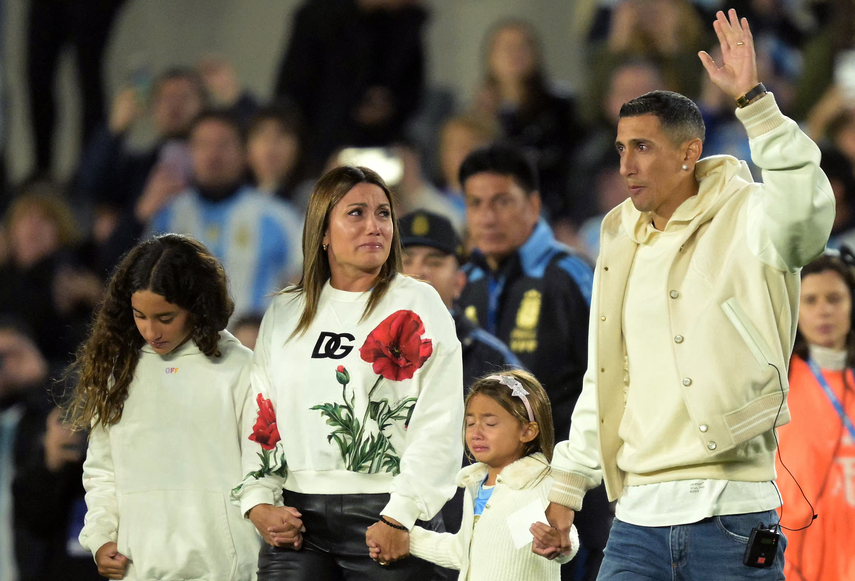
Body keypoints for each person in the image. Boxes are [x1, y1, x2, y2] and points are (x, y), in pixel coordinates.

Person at [539, 10, 836, 580]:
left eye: (643, 147)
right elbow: (606, 374)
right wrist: (569, 484)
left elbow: (808, 211)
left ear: (688, 151)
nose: (625, 165)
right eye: (622, 148)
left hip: (734, 517)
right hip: (635, 524)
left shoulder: (753, 213)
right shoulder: (619, 235)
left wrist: (754, 101)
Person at [232, 165, 463, 580]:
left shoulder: (419, 302)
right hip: (296, 522)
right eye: (356, 213)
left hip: (388, 517)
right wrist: (257, 501)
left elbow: (439, 421)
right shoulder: (285, 311)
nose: (374, 226)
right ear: (322, 231)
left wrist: (402, 515)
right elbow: (261, 416)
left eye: (383, 214)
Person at [66, 234, 260, 580]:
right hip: (138, 568)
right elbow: (102, 471)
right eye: (140, 316)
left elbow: (262, 469)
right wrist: (100, 537)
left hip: (226, 569)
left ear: (197, 306)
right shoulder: (118, 374)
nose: (150, 330)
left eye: (165, 318)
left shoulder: (240, 368)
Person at [456, 142, 606, 578]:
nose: (487, 217)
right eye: (475, 203)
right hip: (492, 490)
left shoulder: (570, 275)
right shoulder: (467, 282)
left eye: (502, 201)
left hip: (567, 490)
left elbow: (609, 375)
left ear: (534, 203)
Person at [399, 210, 520, 539]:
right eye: (406, 261)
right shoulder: (360, 352)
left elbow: (524, 462)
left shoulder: (494, 362)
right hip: (381, 528)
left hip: (466, 535)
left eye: (435, 262)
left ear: (460, 280)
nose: (419, 272)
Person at [398, 370, 579, 580]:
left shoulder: (537, 482)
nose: (476, 433)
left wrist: (562, 544)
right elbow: (464, 552)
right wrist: (406, 537)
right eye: (470, 423)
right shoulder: (476, 485)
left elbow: (564, 536)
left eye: (490, 423)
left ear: (528, 431)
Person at [147, 110, 304, 318]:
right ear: (190, 153)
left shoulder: (279, 216)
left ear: (243, 152)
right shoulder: (168, 215)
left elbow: (304, 281)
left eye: (224, 145)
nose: (213, 155)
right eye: (203, 145)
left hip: (255, 345)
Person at [274, 0, 427, 173]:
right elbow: (292, 92)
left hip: (382, 144)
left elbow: (412, 91)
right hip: (320, 144)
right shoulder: (318, 17)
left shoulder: (405, 23)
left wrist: (389, 105)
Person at [775, 251, 855, 581]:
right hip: (793, 559)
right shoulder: (777, 380)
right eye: (810, 300)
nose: (823, 310)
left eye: (834, 298)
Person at [472, 20, 586, 223]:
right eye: (505, 47)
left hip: (553, 211)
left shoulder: (562, 108)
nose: (514, 53)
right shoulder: (478, 115)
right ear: (490, 57)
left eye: (522, 46)